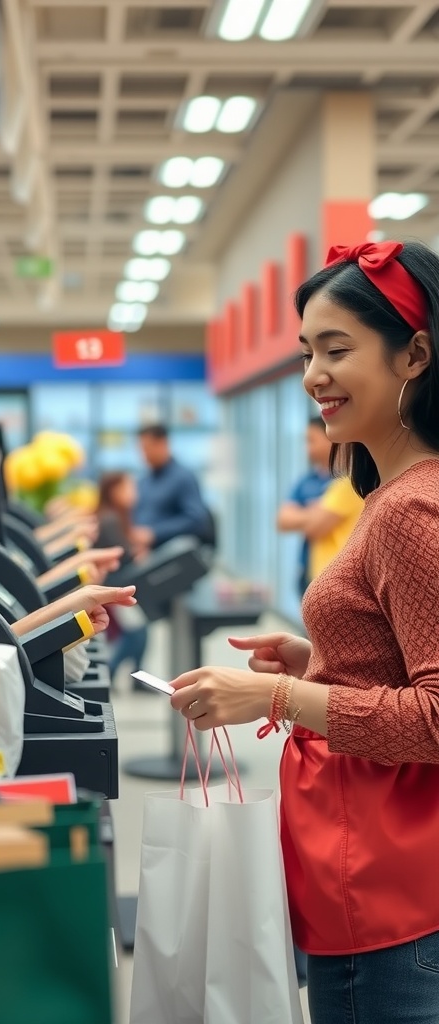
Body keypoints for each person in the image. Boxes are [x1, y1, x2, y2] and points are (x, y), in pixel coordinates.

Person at [168, 239, 439, 1023]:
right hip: (374, 871)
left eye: (337, 348)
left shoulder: (410, 508)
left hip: (387, 889)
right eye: (306, 351)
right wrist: (322, 661)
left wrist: (278, 694)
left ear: (414, 354)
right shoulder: (392, 496)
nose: (314, 374)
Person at [95, 471, 148, 684]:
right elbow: (123, 553)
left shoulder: (115, 517)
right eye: (128, 488)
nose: (133, 493)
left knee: (140, 633)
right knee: (138, 634)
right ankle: (111, 669)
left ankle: (132, 677)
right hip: (114, 589)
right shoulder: (110, 519)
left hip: (117, 588)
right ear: (114, 491)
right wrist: (138, 551)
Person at [131, 424, 212, 560]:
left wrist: (154, 534)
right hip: (145, 555)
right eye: (141, 449)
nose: (144, 455)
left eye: (147, 448)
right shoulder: (144, 480)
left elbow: (196, 519)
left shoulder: (183, 478)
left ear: (163, 443)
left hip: (172, 558)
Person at [277, 417, 332, 596]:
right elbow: (283, 520)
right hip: (308, 571)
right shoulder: (307, 481)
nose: (306, 448)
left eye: (311, 440)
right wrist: (318, 513)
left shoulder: (348, 483)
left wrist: (305, 516)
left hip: (333, 573)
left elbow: (316, 527)